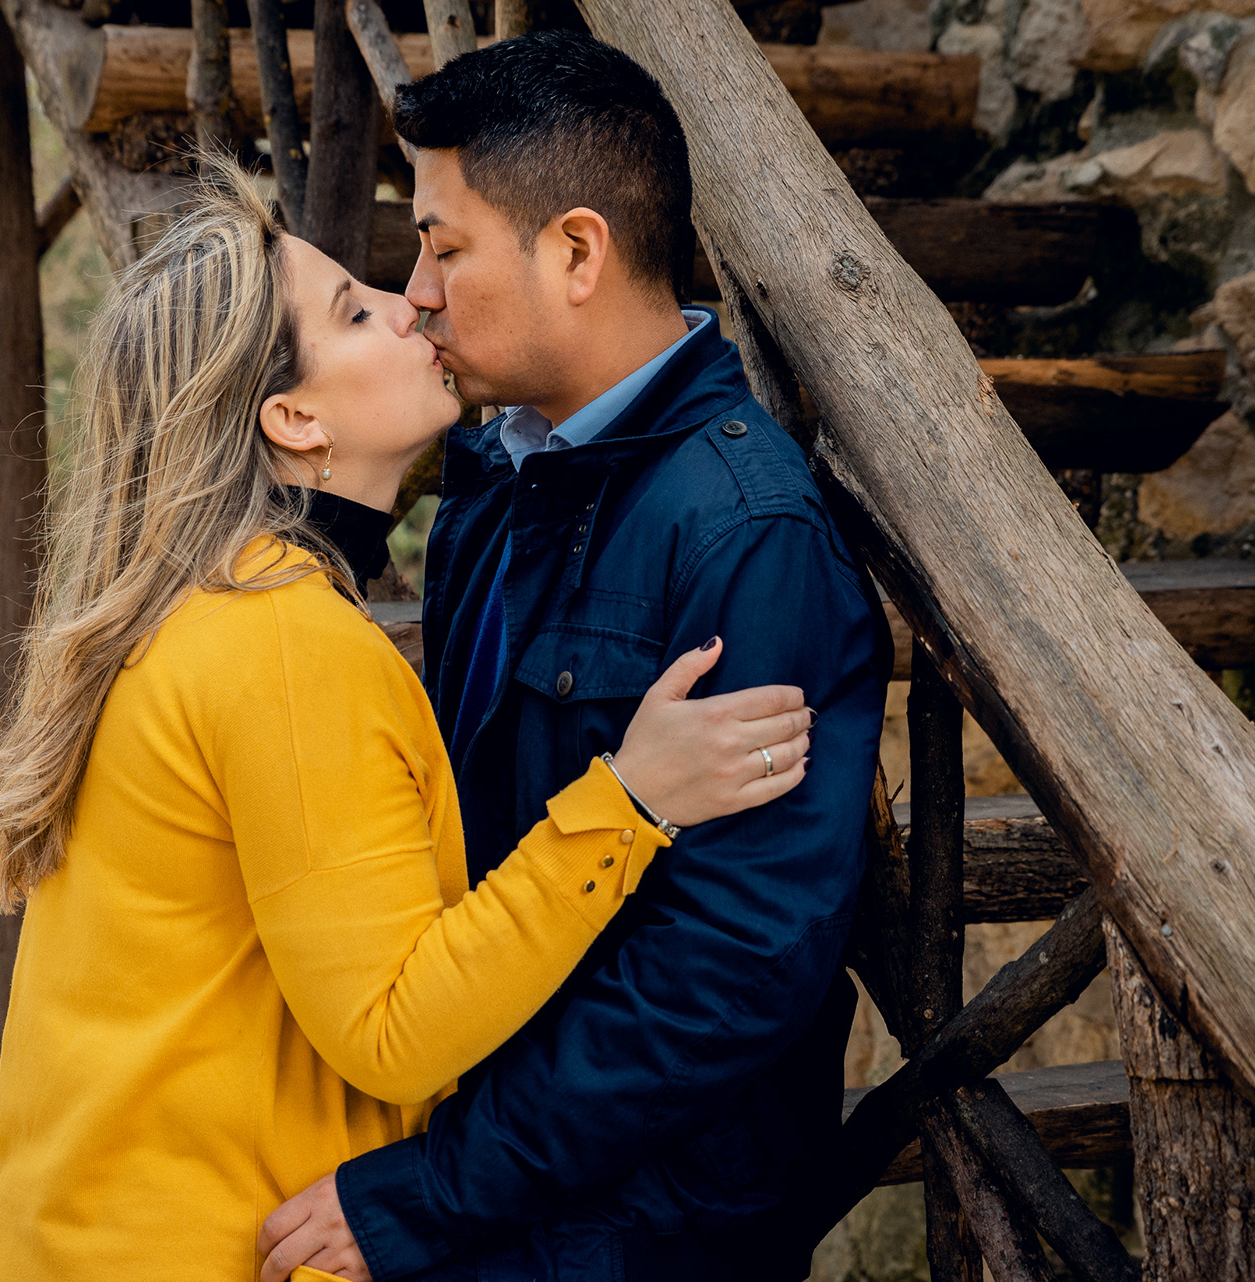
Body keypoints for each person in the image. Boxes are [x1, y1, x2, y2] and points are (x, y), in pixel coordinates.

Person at [0, 156, 817, 1282]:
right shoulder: (281, 639)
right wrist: (630, 800)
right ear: (294, 417)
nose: (411, 302)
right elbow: (395, 1028)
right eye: (354, 311)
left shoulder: (209, 606)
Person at [258, 31, 888, 1282]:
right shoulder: (497, 475)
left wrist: (432, 1191)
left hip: (641, 1228)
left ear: (578, 251)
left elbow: (731, 967)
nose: (419, 292)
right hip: (501, 1168)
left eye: (443, 247)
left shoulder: (744, 533)